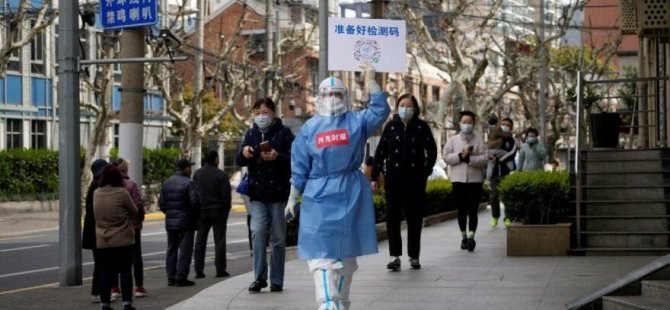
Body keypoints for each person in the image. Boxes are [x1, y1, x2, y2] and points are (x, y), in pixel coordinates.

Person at [285, 62, 390, 309]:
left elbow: (380, 111)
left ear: (345, 96)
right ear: (319, 97)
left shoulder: (357, 121)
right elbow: (299, 165)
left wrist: (372, 82)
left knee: (346, 255)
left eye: (337, 93)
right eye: (327, 94)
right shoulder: (309, 129)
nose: (332, 98)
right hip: (318, 195)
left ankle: (340, 301)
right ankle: (327, 303)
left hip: (351, 192)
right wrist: (292, 196)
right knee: (321, 254)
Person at [371, 93, 437, 271]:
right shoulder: (391, 127)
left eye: (409, 106)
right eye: (402, 105)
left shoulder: (422, 127)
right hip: (393, 179)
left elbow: (432, 151)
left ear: (415, 109)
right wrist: (375, 175)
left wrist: (426, 171)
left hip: (415, 180)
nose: (405, 109)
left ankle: (414, 256)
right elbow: (380, 152)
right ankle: (395, 256)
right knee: (392, 218)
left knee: (414, 218)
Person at [235, 97, 294, 293]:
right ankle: (259, 277)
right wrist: (245, 152)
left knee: (277, 238)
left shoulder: (284, 133)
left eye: (265, 112)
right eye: (257, 112)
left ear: (273, 113)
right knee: (258, 232)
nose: (261, 116)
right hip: (257, 193)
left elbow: (295, 159)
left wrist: (278, 156)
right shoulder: (251, 133)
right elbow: (239, 160)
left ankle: (277, 280)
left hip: (278, 193)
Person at [94, 165, 138, 310]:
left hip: (103, 239)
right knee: (125, 271)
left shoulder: (97, 193)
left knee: (105, 272)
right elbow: (134, 211)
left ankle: (105, 303)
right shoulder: (122, 193)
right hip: (123, 238)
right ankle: (127, 303)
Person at [443, 110, 487, 252]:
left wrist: (470, 159)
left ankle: (472, 237)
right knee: (461, 210)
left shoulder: (479, 140)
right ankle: (463, 236)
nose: (467, 125)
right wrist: (461, 156)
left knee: (473, 210)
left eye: (469, 123)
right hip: (458, 180)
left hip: (475, 181)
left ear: (474, 124)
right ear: (460, 123)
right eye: (464, 122)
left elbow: (485, 158)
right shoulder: (452, 140)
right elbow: (446, 157)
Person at [108, 158, 147, 299]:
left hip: (112, 227)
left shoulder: (107, 187)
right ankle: (139, 287)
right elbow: (138, 205)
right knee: (135, 256)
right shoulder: (130, 185)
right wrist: (139, 219)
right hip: (132, 226)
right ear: (125, 170)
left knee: (114, 257)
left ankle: (114, 288)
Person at [159, 159, 200, 287]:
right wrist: (194, 217)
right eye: (190, 167)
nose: (191, 170)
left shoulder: (166, 183)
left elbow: (162, 204)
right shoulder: (189, 183)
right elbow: (195, 203)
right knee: (185, 250)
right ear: (186, 168)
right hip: (186, 222)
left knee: (172, 249)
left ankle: (171, 277)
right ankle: (181, 277)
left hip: (171, 221)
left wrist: (170, 214)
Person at [193, 150, 232, 279]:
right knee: (219, 241)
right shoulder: (221, 175)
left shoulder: (197, 174)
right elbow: (226, 196)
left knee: (200, 242)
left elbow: (194, 193)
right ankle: (220, 269)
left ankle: (199, 270)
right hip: (218, 211)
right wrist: (225, 210)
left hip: (202, 211)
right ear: (216, 159)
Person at [82, 158, 108, 304]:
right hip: (97, 232)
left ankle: (98, 291)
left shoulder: (95, 185)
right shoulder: (98, 187)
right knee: (101, 263)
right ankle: (98, 291)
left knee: (100, 263)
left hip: (93, 231)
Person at [486, 118, 518, 228]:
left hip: (506, 173)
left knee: (506, 196)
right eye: (503, 124)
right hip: (494, 172)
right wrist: (491, 157)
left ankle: (508, 217)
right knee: (494, 196)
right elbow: (487, 150)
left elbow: (512, 153)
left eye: (508, 125)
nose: (505, 126)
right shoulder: (493, 137)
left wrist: (501, 159)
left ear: (511, 127)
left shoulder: (512, 141)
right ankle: (495, 216)